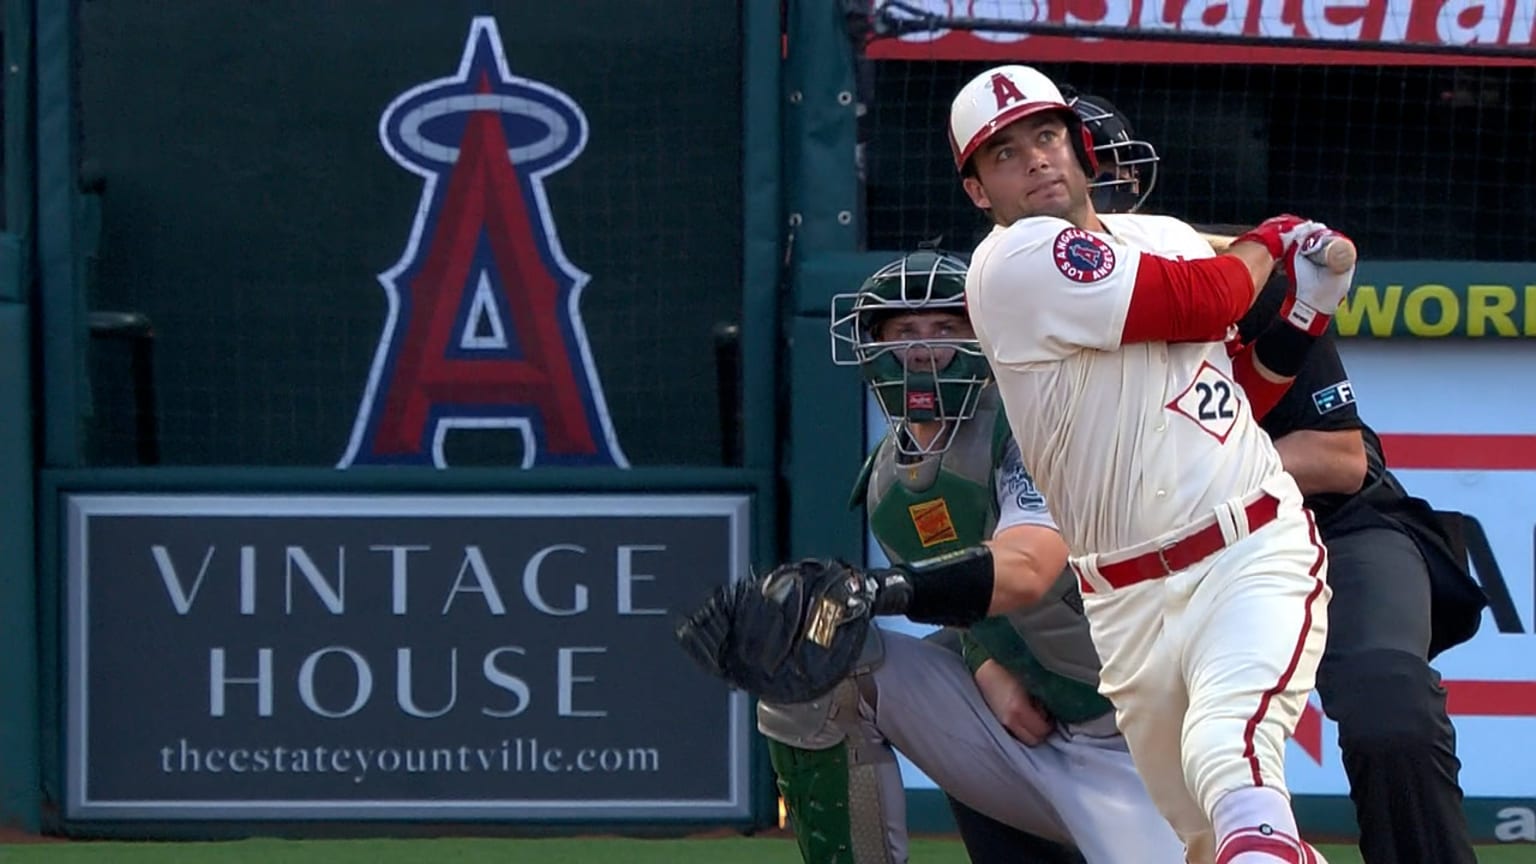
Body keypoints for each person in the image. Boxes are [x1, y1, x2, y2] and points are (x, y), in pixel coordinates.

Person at [856, 64, 1358, 863]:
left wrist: (1306, 311)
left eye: (1047, 135)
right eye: (1004, 154)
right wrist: (1277, 239)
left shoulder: (1165, 240)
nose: (1036, 158)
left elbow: (1234, 397)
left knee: (1230, 754)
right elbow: (1208, 299)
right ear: (978, 191)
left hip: (1249, 551)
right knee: (1208, 839)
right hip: (1124, 600)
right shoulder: (1014, 262)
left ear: (1079, 146)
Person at [754, 249, 1182, 864]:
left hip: (1148, 741)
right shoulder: (886, 486)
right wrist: (983, 663)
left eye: (945, 327)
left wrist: (878, 590)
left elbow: (1028, 569)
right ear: (874, 348)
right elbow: (971, 615)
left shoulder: (1032, 422)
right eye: (904, 331)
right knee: (812, 661)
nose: (923, 349)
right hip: (1039, 731)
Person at [1233, 273, 1486, 864]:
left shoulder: (1243, 283)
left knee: (1390, 704)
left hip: (1335, 524)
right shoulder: (1053, 320)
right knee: (1044, 715)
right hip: (1158, 558)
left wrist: (1194, 469)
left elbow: (1339, 460)